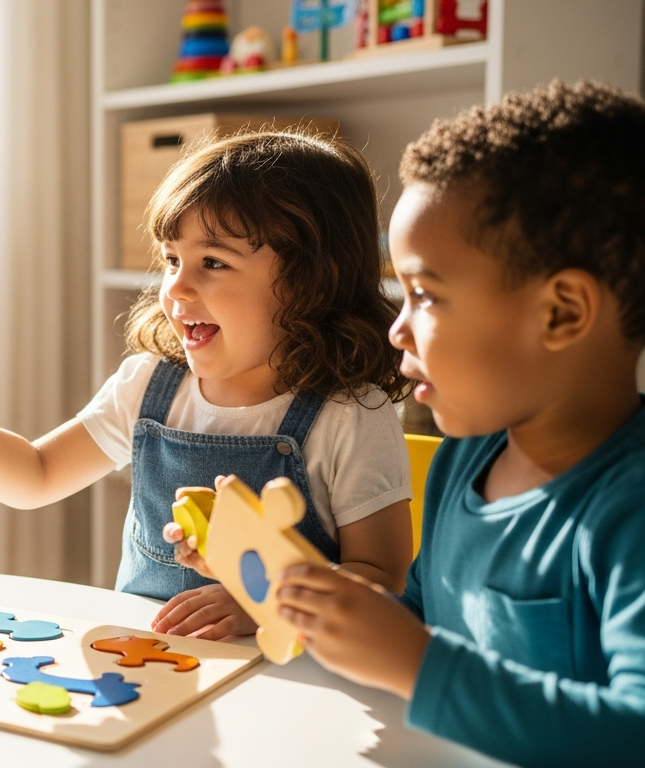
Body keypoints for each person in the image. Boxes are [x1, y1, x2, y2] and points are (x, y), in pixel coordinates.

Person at [0, 129, 412, 637]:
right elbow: (36, 475)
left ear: (311, 281)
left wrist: (264, 602)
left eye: (212, 262)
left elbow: (382, 579)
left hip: (289, 680)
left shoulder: (349, 412)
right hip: (152, 664)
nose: (176, 289)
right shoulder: (150, 385)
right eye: (171, 260)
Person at [275, 80, 645, 766]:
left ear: (562, 313)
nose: (396, 330)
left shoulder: (628, 511)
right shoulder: (463, 460)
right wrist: (299, 588)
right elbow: (417, 617)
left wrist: (418, 666)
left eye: (424, 296)